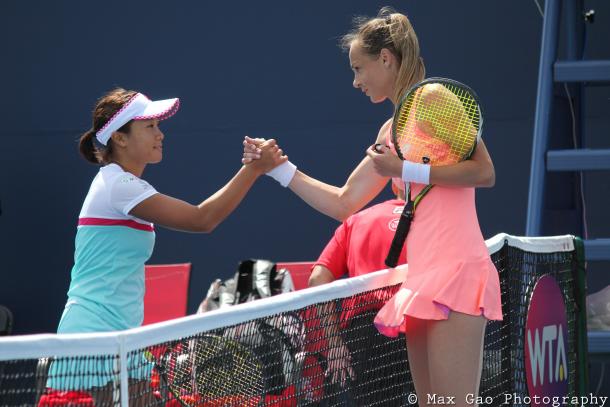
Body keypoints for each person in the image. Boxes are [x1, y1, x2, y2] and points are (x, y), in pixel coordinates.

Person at [243, 7, 502, 407]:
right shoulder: (390, 130)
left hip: (458, 271)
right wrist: (279, 169)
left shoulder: (434, 98)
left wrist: (404, 168)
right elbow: (345, 202)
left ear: (386, 59)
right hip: (420, 280)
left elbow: (484, 172)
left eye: (359, 68)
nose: (355, 81)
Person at [46, 88, 285, 405]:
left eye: (159, 126)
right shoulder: (118, 185)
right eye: (150, 127)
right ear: (120, 137)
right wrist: (253, 169)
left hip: (122, 335)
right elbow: (203, 219)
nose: (161, 134)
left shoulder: (122, 184)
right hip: (92, 334)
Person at [309, 190, 412, 406]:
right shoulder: (435, 219)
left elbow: (317, 280)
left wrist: (334, 343)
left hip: (364, 337)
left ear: (394, 184)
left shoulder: (355, 221)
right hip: (420, 328)